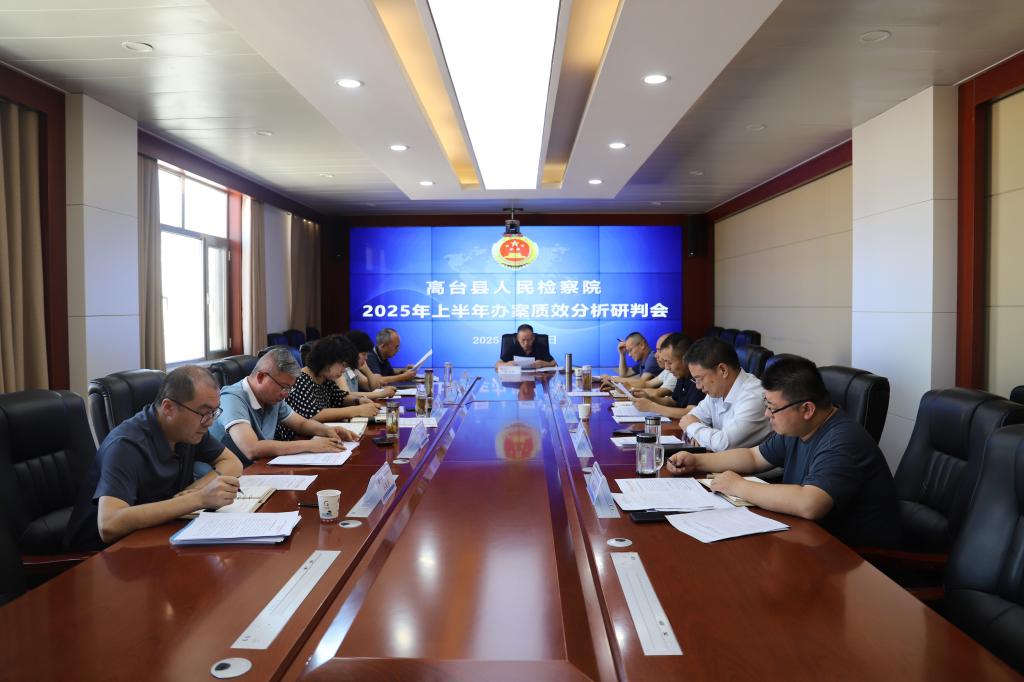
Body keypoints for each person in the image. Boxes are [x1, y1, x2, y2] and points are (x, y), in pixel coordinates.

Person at [666, 355, 900, 547]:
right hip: (809, 538)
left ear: (807, 409)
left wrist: (738, 486)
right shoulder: (798, 429)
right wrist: (697, 461)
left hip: (856, 558)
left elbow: (810, 503)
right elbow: (753, 457)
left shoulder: (842, 441)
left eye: (772, 408)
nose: (767, 414)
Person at [64, 366, 244, 550]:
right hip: (103, 553)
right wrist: (198, 499)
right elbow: (109, 524)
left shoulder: (190, 430)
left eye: (214, 412)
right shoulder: (125, 445)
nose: (210, 422)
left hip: (156, 534)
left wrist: (195, 490)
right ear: (168, 408)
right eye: (204, 413)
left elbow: (232, 463)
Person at [210, 347, 358, 467]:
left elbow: (301, 423)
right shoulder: (231, 398)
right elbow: (252, 448)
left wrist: (328, 430)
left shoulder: (273, 398)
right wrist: (310, 445)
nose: (286, 394)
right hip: (227, 477)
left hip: (259, 468)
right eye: (284, 387)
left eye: (289, 388)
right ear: (261, 377)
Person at [276, 334, 380, 440]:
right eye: (343, 365)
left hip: (318, 436)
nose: (343, 370)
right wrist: (357, 410)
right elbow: (312, 415)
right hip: (295, 440)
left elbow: (340, 397)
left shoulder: (324, 379)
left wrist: (358, 400)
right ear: (328, 360)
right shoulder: (300, 379)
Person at [677, 336, 771, 451]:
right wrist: (696, 433)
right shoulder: (717, 391)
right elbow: (690, 417)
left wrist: (694, 428)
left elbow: (723, 444)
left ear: (723, 370)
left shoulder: (754, 396)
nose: (698, 386)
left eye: (700, 379)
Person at [633, 333, 704, 419]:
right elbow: (673, 401)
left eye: (669, 362)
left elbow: (690, 413)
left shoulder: (698, 378)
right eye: (665, 361)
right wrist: (649, 398)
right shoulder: (681, 375)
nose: (666, 367)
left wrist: (652, 407)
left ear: (685, 359)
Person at [343, 329, 396, 399]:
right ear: (351, 353)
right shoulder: (341, 370)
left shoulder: (354, 369)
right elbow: (346, 395)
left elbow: (374, 387)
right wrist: (381, 394)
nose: (366, 358)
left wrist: (367, 370)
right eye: (363, 354)